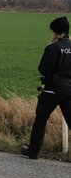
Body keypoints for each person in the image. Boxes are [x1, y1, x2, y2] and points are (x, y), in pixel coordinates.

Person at [20, 16, 71, 159]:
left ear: (56, 32)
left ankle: (33, 151)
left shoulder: (53, 47)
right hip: (69, 89)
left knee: (41, 119)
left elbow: (43, 69)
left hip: (52, 89)